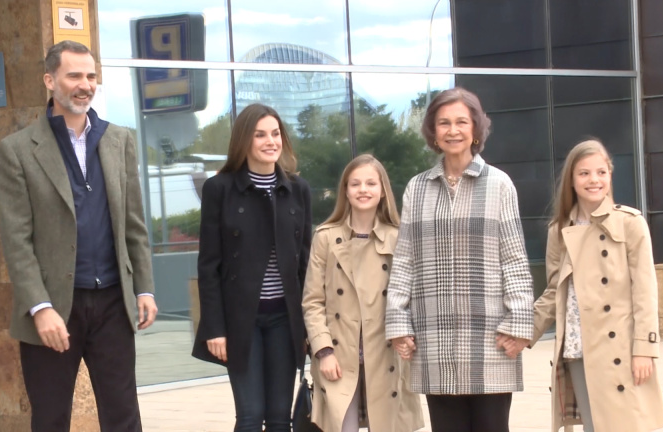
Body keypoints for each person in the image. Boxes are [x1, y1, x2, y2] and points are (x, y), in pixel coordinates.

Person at [0, 40, 157, 431]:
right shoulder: (17, 150)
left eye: (91, 76)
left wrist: (144, 288)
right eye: (74, 76)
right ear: (50, 80)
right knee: (51, 419)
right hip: (53, 309)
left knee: (124, 417)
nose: (85, 85)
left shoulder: (119, 140)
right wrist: (40, 307)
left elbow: (133, 223)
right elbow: (16, 240)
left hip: (113, 304)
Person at [384, 87, 534, 432]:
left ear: (476, 128)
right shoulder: (417, 188)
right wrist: (398, 322)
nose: (453, 130)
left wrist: (519, 323)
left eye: (462, 122)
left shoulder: (499, 184)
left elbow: (514, 259)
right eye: (444, 123)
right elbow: (404, 260)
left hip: (491, 340)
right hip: (434, 339)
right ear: (433, 132)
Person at [502, 139, 663, 432]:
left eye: (601, 172)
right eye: (584, 173)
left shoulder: (630, 223)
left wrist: (644, 348)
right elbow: (554, 291)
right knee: (594, 426)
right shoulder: (559, 229)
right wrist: (523, 331)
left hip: (620, 348)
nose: (594, 180)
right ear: (571, 180)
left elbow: (645, 291)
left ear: (610, 175)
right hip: (578, 345)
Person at [192, 103, 312, 431]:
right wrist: (214, 327)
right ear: (244, 140)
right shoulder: (219, 189)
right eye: (260, 135)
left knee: (280, 416)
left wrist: (309, 328)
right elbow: (209, 265)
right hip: (240, 320)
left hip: (285, 319)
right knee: (250, 414)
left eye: (275, 134)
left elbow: (306, 264)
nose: (270, 141)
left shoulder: (298, 189)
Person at [302, 155, 424, 432]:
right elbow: (313, 302)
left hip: (387, 355)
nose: (363, 190)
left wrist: (409, 336)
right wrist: (323, 351)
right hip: (338, 357)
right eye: (355, 183)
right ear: (345, 190)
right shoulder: (325, 237)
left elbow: (413, 297)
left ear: (383, 191)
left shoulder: (399, 237)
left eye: (371, 183)